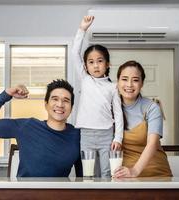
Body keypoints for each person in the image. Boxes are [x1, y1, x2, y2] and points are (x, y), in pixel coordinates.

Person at [0, 79, 82, 177]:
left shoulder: (78, 135)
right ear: (46, 104)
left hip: (59, 195)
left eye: (66, 100)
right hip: (26, 194)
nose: (60, 104)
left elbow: (82, 177)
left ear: (71, 108)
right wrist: (7, 93)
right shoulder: (27, 127)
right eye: (55, 99)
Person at [72, 15, 124, 177]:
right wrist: (82, 29)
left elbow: (118, 113)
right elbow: (75, 53)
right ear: (86, 66)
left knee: (107, 173)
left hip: (106, 134)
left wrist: (118, 138)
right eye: (91, 62)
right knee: (88, 174)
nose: (95, 65)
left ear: (107, 64)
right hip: (86, 134)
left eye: (100, 61)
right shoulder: (85, 80)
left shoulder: (112, 86)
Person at [114, 60, 172, 178]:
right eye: (124, 79)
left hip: (156, 173)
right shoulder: (110, 108)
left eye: (135, 80)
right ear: (117, 82)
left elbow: (152, 143)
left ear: (142, 83)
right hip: (123, 176)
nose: (129, 84)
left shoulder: (152, 107)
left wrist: (134, 171)